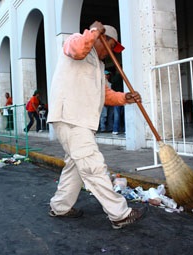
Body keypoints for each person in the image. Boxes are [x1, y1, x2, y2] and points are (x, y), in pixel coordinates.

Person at [47, 21, 147, 229]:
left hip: (80, 120)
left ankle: (60, 206)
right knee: (93, 166)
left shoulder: (99, 66)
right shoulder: (75, 40)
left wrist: (125, 97)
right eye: (111, 46)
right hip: (70, 117)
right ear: (103, 38)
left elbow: (104, 95)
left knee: (75, 166)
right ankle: (119, 214)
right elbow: (77, 50)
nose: (111, 53)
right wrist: (93, 32)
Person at [111, 70, 124, 135]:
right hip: (124, 96)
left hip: (117, 97)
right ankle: (125, 129)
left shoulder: (115, 78)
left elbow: (112, 88)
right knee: (124, 114)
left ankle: (115, 130)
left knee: (117, 114)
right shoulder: (124, 77)